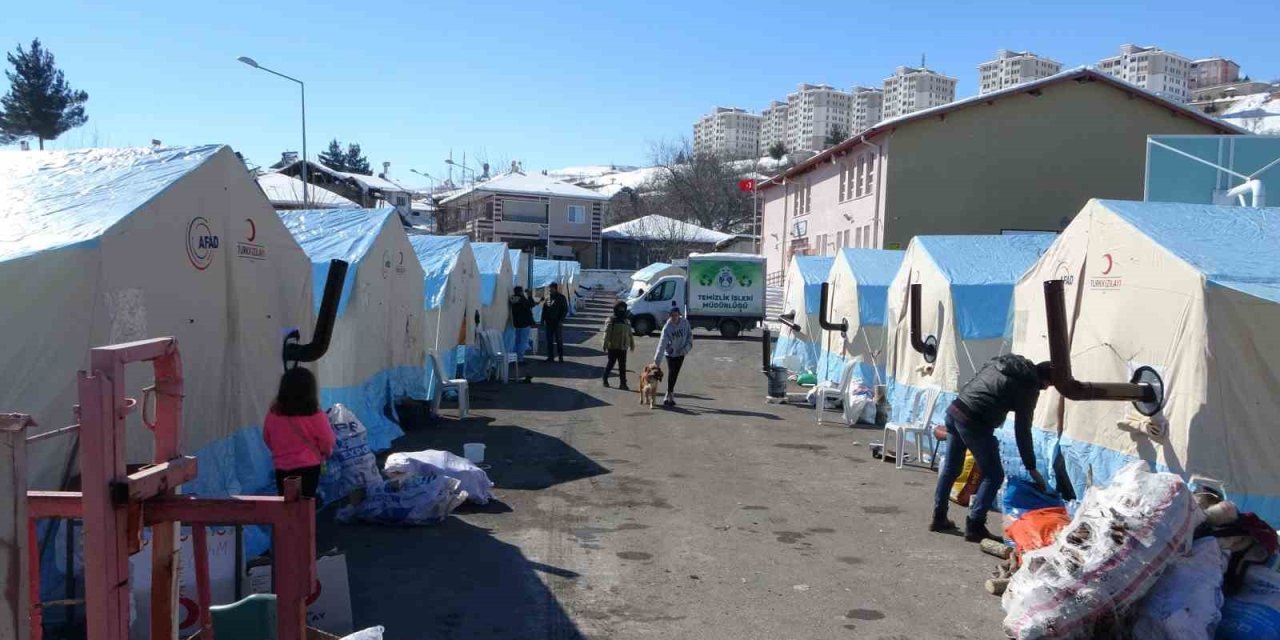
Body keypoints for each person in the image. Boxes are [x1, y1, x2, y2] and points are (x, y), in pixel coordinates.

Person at [931, 354, 1052, 542]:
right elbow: (1022, 428)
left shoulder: (1003, 362)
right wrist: (1030, 466)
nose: (1045, 390)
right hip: (974, 421)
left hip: (956, 409)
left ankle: (939, 517)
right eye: (1048, 386)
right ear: (1045, 381)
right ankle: (975, 525)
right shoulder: (1029, 385)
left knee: (951, 468)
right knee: (994, 474)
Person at [262, 367, 336, 498]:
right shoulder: (316, 415)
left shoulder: (273, 414)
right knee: (306, 504)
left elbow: (267, 438)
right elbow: (328, 440)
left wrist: (281, 452)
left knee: (286, 503)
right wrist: (324, 453)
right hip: (309, 467)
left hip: (281, 466)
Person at [652, 304, 693, 407]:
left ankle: (668, 393)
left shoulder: (685, 323)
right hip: (670, 354)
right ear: (669, 316)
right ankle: (669, 396)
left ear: (679, 315)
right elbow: (661, 345)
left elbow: (690, 337)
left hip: (681, 353)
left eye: (676, 315)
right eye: (672, 315)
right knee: (671, 373)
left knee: (675, 374)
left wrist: (686, 349)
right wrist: (656, 362)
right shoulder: (667, 328)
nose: (674, 317)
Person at [602, 301, 634, 389]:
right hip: (613, 347)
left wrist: (632, 344)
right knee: (611, 364)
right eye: (620, 309)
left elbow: (630, 334)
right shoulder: (611, 320)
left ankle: (623, 383)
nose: (621, 310)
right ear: (616, 309)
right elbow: (607, 333)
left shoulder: (626, 321)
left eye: (623, 309)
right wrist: (604, 344)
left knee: (622, 366)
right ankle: (605, 378)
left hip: (623, 347)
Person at [541, 282, 568, 362]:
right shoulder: (548, 298)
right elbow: (544, 310)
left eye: (551, 289)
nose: (549, 290)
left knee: (559, 340)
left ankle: (560, 357)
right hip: (549, 323)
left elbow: (565, 310)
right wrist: (542, 320)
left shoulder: (561, 298)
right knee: (549, 341)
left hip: (557, 323)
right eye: (549, 289)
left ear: (555, 289)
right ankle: (550, 357)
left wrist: (561, 321)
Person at [509, 286, 535, 363]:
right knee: (523, 342)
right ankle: (520, 359)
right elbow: (531, 304)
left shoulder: (513, 299)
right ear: (520, 292)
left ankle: (516, 358)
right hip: (525, 323)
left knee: (517, 341)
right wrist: (529, 295)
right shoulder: (522, 299)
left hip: (517, 323)